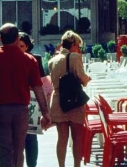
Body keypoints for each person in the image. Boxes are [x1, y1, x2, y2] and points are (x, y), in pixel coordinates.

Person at [0, 23, 52, 167]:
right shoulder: (29, 60)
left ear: (0, 38)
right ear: (17, 38)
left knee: (2, 150)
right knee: (18, 150)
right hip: (21, 111)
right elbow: (38, 88)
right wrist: (45, 113)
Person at [48, 31, 91, 167]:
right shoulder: (75, 57)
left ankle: (61, 165)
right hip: (74, 101)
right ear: (73, 44)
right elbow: (82, 78)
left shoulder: (52, 60)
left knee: (62, 138)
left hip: (58, 101)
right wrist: (87, 79)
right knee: (77, 137)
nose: (79, 49)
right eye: (79, 46)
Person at [17, 32, 47, 167]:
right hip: (16, 102)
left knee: (31, 136)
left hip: (33, 101)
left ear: (27, 46)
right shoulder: (11, 59)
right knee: (17, 139)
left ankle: (32, 164)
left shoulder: (35, 59)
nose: (19, 48)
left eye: (22, 46)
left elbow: (43, 83)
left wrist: (45, 109)